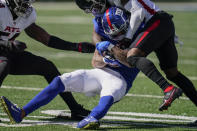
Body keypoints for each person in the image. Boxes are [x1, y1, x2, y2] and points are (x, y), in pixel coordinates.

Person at [0, 7, 140, 130]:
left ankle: (90, 117)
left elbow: (133, 62)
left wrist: (109, 51)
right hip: (100, 73)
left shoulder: (139, 36)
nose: (115, 35)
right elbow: (95, 62)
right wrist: (104, 59)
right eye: (112, 33)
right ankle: (22, 113)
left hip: (120, 79)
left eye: (119, 31)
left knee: (109, 94)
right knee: (59, 80)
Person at [75, 0, 197, 111]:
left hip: (157, 22)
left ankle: (168, 89)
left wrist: (127, 38)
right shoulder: (104, 9)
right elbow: (95, 33)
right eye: (90, 9)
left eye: (95, 6)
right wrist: (99, 44)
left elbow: (138, 12)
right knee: (172, 73)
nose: (94, 10)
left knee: (132, 56)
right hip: (162, 24)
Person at [0, 0, 96, 120]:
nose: (26, 4)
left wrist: (77, 46)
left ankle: (76, 110)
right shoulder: (1, 9)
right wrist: (8, 45)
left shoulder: (27, 14)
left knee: (47, 67)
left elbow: (46, 39)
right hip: (4, 53)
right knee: (3, 64)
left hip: (7, 53)